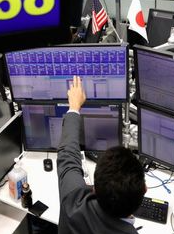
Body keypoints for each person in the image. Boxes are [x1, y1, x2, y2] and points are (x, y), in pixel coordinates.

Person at [57, 76, 146, 234]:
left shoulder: (72, 203)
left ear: (93, 189)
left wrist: (74, 107)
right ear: (144, 190)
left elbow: (67, 154)